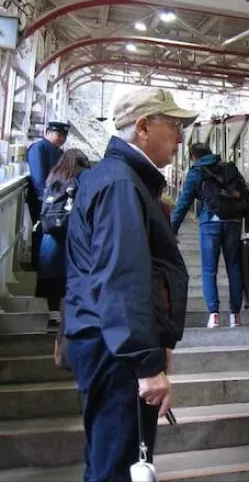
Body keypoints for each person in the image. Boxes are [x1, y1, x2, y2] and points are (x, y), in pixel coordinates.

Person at [65, 87, 197, 482]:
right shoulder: (122, 184)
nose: (180, 137)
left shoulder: (115, 178)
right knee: (119, 469)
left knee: (110, 460)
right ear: (142, 127)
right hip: (117, 352)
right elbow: (123, 277)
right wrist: (145, 363)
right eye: (174, 125)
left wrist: (158, 347)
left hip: (109, 344)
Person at [170, 143, 249, 329]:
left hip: (210, 222)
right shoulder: (229, 168)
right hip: (233, 222)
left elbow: (184, 203)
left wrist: (171, 229)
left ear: (193, 156)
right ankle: (235, 316)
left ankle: (214, 315)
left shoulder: (197, 171)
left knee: (209, 270)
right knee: (234, 268)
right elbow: (246, 197)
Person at [37, 148, 90, 330]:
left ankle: (54, 316)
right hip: (72, 231)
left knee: (52, 274)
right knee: (75, 273)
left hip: (50, 232)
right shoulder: (83, 176)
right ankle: (74, 316)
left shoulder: (53, 176)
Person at [25, 121, 69, 270]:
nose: (62, 138)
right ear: (48, 132)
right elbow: (38, 176)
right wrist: (43, 197)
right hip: (41, 198)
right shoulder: (39, 148)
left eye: (64, 135)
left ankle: (45, 262)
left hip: (54, 198)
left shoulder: (59, 152)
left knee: (49, 230)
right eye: (59, 134)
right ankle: (36, 262)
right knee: (40, 228)